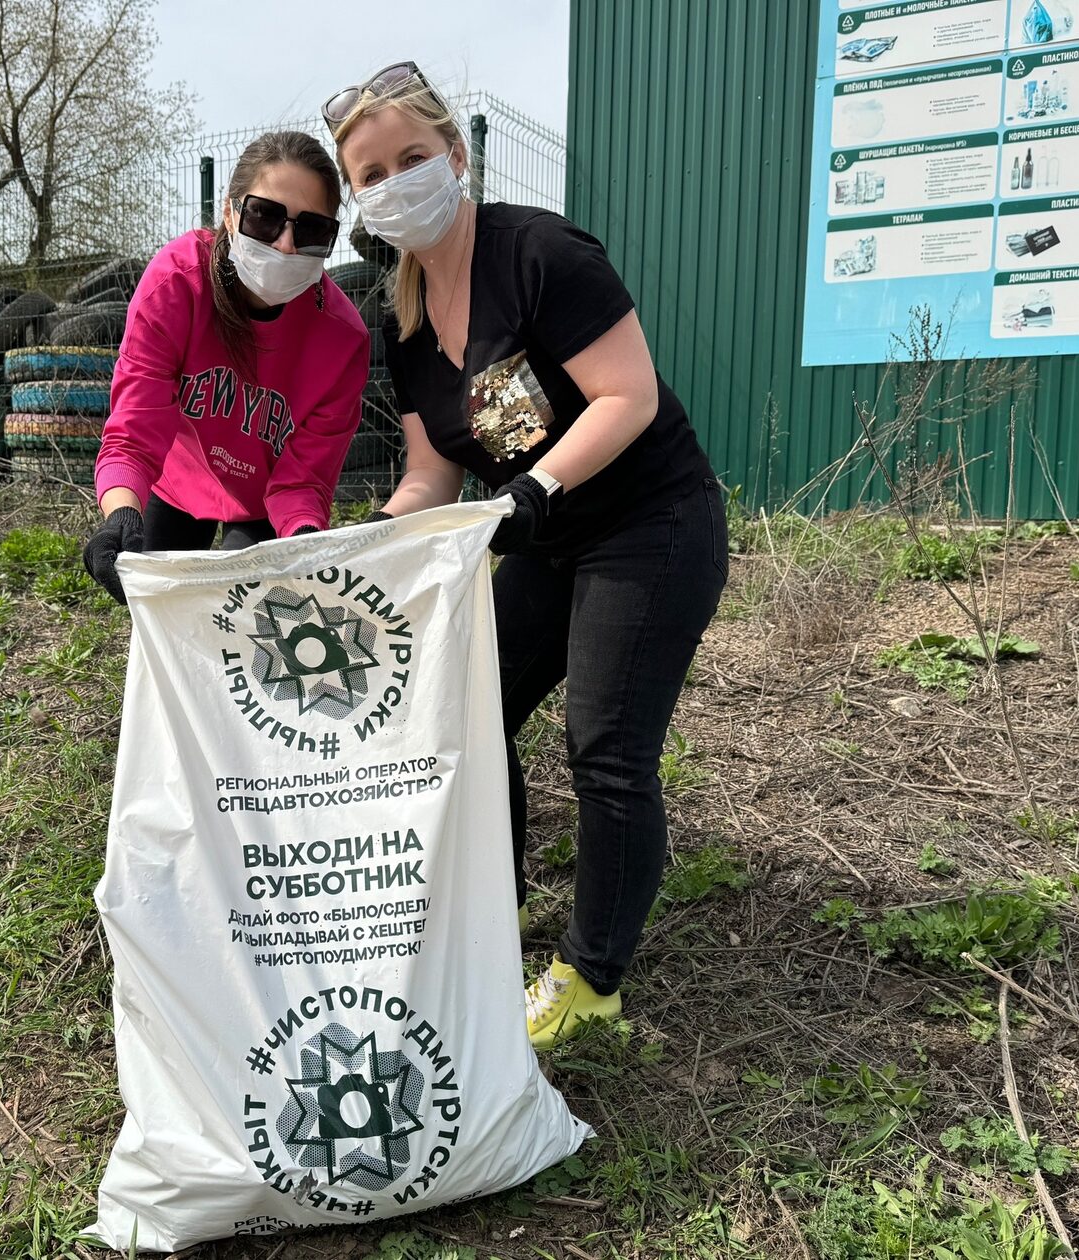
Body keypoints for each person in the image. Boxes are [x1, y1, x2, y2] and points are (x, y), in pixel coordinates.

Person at [328, 64, 728, 1049]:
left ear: (455, 155)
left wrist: (535, 489)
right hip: (547, 537)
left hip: (650, 525)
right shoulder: (405, 315)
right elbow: (431, 473)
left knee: (606, 748)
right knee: (470, 710)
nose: (396, 183)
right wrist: (379, 538)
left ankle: (592, 979)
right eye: (371, 173)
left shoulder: (540, 252)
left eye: (412, 159)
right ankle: (493, 911)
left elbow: (627, 396)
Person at [83, 131, 371, 600]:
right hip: (176, 481)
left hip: (267, 503)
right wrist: (120, 516)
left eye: (313, 229)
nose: (285, 246)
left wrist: (301, 540)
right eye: (265, 216)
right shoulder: (176, 283)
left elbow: (304, 480)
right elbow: (134, 432)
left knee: (253, 623)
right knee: (160, 618)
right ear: (230, 212)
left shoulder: (344, 339)